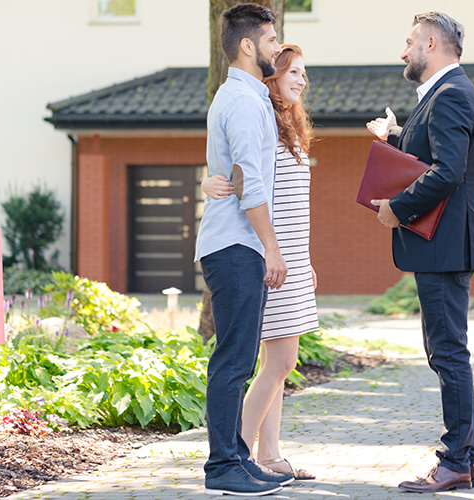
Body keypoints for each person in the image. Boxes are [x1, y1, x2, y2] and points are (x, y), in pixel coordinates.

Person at [366, 11, 474, 493]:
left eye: (410, 41)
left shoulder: (452, 94)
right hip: (446, 245)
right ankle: (469, 458)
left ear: (432, 44)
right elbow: (436, 157)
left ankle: (456, 459)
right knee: (448, 351)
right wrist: (397, 137)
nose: (404, 51)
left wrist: (397, 208)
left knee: (447, 353)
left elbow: (447, 172)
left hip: (444, 246)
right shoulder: (445, 95)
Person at [201, 43, 318, 481]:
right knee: (279, 361)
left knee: (278, 362)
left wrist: (303, 260)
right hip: (269, 254)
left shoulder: (287, 125)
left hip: (288, 255)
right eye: (293, 71)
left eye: (305, 73)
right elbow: (240, 173)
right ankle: (241, 455)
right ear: (271, 75)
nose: (301, 79)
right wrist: (207, 181)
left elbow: (292, 201)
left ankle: (268, 454)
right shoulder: (259, 114)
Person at [194, 3, 294, 496]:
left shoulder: (247, 98)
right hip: (236, 245)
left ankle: (236, 456)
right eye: (272, 40)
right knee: (233, 359)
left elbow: (235, 176)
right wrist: (272, 249)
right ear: (249, 45)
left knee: (240, 357)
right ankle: (222, 467)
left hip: (239, 243)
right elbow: (251, 184)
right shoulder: (241, 101)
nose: (277, 47)